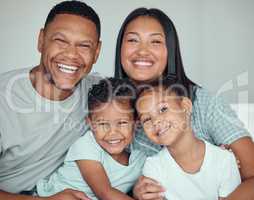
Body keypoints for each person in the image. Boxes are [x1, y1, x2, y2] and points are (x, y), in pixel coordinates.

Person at [114, 7, 254, 200]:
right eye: (132, 40)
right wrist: (135, 194)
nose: (142, 51)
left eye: (155, 41)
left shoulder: (204, 103)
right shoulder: (110, 111)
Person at [0, 1, 101, 200]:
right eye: (60, 41)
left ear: (96, 52)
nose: (71, 54)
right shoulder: (4, 98)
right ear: (41, 40)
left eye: (84, 46)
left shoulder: (98, 93)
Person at [36, 77, 146, 200]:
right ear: (90, 123)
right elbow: (105, 193)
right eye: (103, 124)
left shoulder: (139, 160)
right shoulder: (86, 146)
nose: (113, 132)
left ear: (136, 123)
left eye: (122, 123)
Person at [135, 78, 241, 200]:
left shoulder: (224, 160)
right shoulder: (153, 167)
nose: (155, 121)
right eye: (147, 119)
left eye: (163, 109)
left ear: (186, 106)